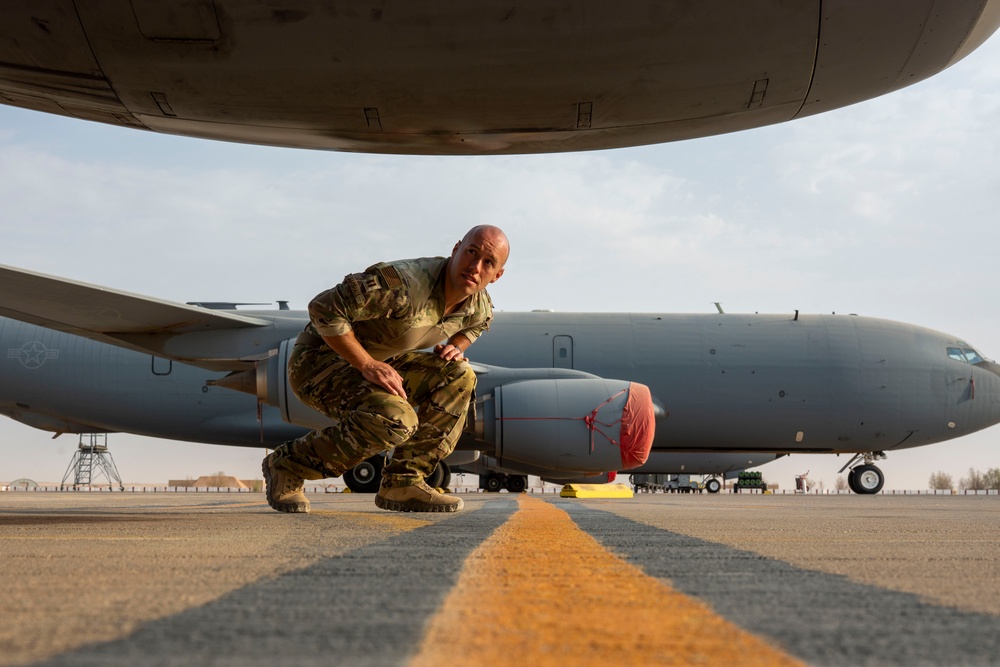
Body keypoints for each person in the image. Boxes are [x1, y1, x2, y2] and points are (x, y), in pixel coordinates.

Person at [262, 225, 509, 514]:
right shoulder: (402, 285)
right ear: (456, 249)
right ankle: (288, 464)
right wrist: (366, 364)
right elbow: (322, 308)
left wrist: (457, 344)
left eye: (488, 262)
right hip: (319, 363)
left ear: (497, 275)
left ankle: (404, 481)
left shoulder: (478, 303)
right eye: (471, 252)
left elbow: (480, 323)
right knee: (397, 420)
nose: (475, 266)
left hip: (381, 363)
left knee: (459, 376)